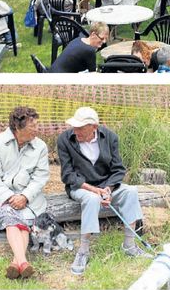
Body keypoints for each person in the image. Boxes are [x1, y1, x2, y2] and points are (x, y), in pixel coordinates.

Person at [56, 104, 148, 276]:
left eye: (80, 128)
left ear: (94, 127)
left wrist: (108, 189)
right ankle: (83, 251)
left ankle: (129, 246)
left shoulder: (110, 137)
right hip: (80, 186)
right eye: (74, 127)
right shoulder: (64, 139)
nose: (76, 131)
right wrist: (93, 190)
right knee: (91, 199)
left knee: (130, 191)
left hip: (106, 185)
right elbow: (67, 175)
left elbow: (118, 169)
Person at [0, 105, 49, 281]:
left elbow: (41, 177)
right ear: (17, 128)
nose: (36, 130)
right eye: (32, 127)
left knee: (22, 218)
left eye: (37, 125)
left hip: (28, 196)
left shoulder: (40, 146)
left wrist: (25, 196)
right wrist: (10, 197)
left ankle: (16, 263)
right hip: (1, 196)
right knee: (11, 218)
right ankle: (23, 262)